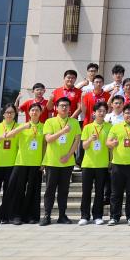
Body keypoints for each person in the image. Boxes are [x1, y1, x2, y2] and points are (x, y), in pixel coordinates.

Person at [40, 96, 81, 225]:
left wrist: (69, 155)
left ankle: (62, 215)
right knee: (50, 190)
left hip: (67, 162)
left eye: (66, 106)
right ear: (56, 108)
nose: (64, 108)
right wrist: (63, 131)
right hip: (52, 161)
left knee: (64, 190)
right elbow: (48, 139)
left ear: (70, 108)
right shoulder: (50, 121)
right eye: (62, 105)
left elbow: (76, 141)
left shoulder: (74, 122)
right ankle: (47, 215)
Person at [106, 102, 130, 226]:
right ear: (123, 114)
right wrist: (112, 144)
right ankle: (114, 217)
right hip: (117, 165)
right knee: (115, 193)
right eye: (127, 113)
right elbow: (108, 142)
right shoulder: (115, 127)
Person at [6, 102, 44, 225]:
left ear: (40, 112)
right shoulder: (22, 126)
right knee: (19, 189)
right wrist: (23, 127)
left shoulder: (43, 126)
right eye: (32, 110)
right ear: (28, 112)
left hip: (36, 163)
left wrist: (43, 161)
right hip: (21, 162)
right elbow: (8, 135)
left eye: (37, 110)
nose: (34, 112)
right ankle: (16, 216)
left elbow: (44, 145)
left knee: (34, 191)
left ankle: (31, 216)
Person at [78, 100, 112, 226]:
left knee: (100, 192)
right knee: (86, 191)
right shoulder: (87, 127)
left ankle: (98, 215)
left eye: (104, 111)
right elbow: (84, 146)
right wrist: (90, 139)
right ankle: (84, 216)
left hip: (102, 164)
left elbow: (110, 147)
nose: (101, 113)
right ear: (94, 113)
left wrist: (110, 161)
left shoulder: (109, 127)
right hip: (88, 164)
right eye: (99, 111)